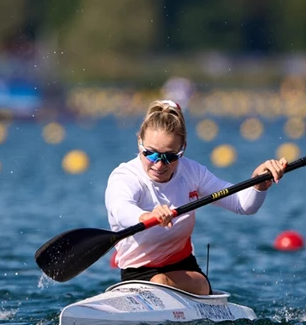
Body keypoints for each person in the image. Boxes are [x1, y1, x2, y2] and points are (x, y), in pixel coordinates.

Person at [105, 100, 287, 295]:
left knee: (160, 280)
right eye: (150, 154)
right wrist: (146, 217)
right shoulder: (125, 177)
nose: (159, 164)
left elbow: (243, 205)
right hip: (136, 276)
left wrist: (258, 182)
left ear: (183, 148)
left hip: (186, 273)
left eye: (170, 156)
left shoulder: (193, 173)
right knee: (158, 281)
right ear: (139, 142)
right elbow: (120, 209)